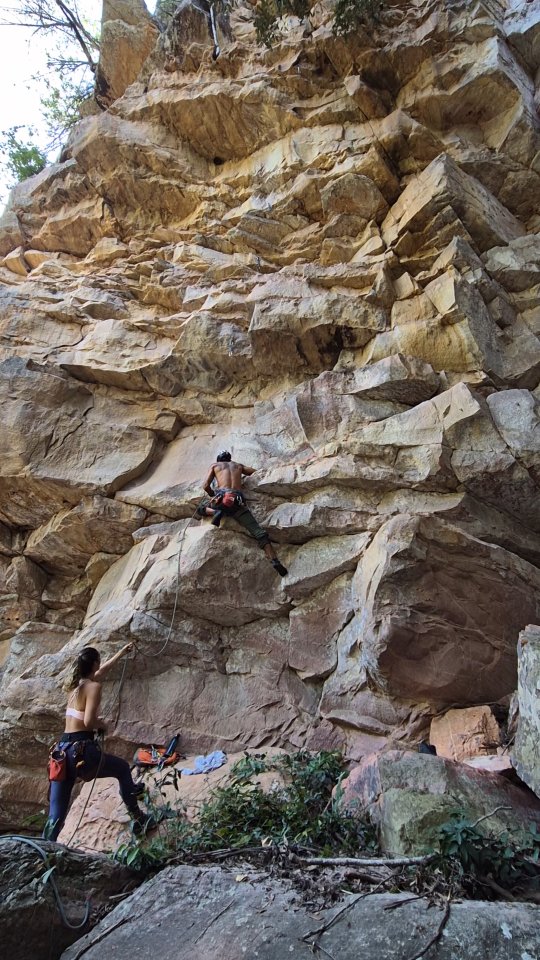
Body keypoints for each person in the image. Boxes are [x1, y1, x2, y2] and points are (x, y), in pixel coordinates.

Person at [43, 645, 154, 842]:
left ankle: (43, 854)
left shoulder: (74, 687)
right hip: (82, 751)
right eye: (99, 662)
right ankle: (140, 820)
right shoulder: (94, 687)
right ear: (94, 663)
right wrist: (102, 725)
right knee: (121, 769)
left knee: (56, 813)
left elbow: (102, 671)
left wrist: (121, 652)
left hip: (61, 753)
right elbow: (88, 722)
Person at [197, 451, 288, 577]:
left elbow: (206, 485)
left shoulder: (215, 466)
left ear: (219, 460)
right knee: (259, 533)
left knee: (200, 508)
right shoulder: (238, 466)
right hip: (237, 502)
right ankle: (274, 560)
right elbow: (255, 472)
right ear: (229, 459)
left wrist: (213, 495)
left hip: (221, 499)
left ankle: (216, 511)